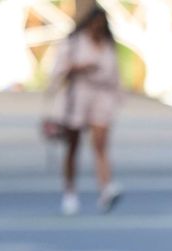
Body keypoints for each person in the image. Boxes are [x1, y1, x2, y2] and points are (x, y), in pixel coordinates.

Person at [49, 5, 122, 216]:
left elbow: (114, 74)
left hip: (101, 98)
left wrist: (117, 99)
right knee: (73, 146)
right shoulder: (74, 42)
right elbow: (57, 71)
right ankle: (70, 193)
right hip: (77, 97)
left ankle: (106, 188)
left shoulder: (107, 45)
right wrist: (78, 67)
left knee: (100, 143)